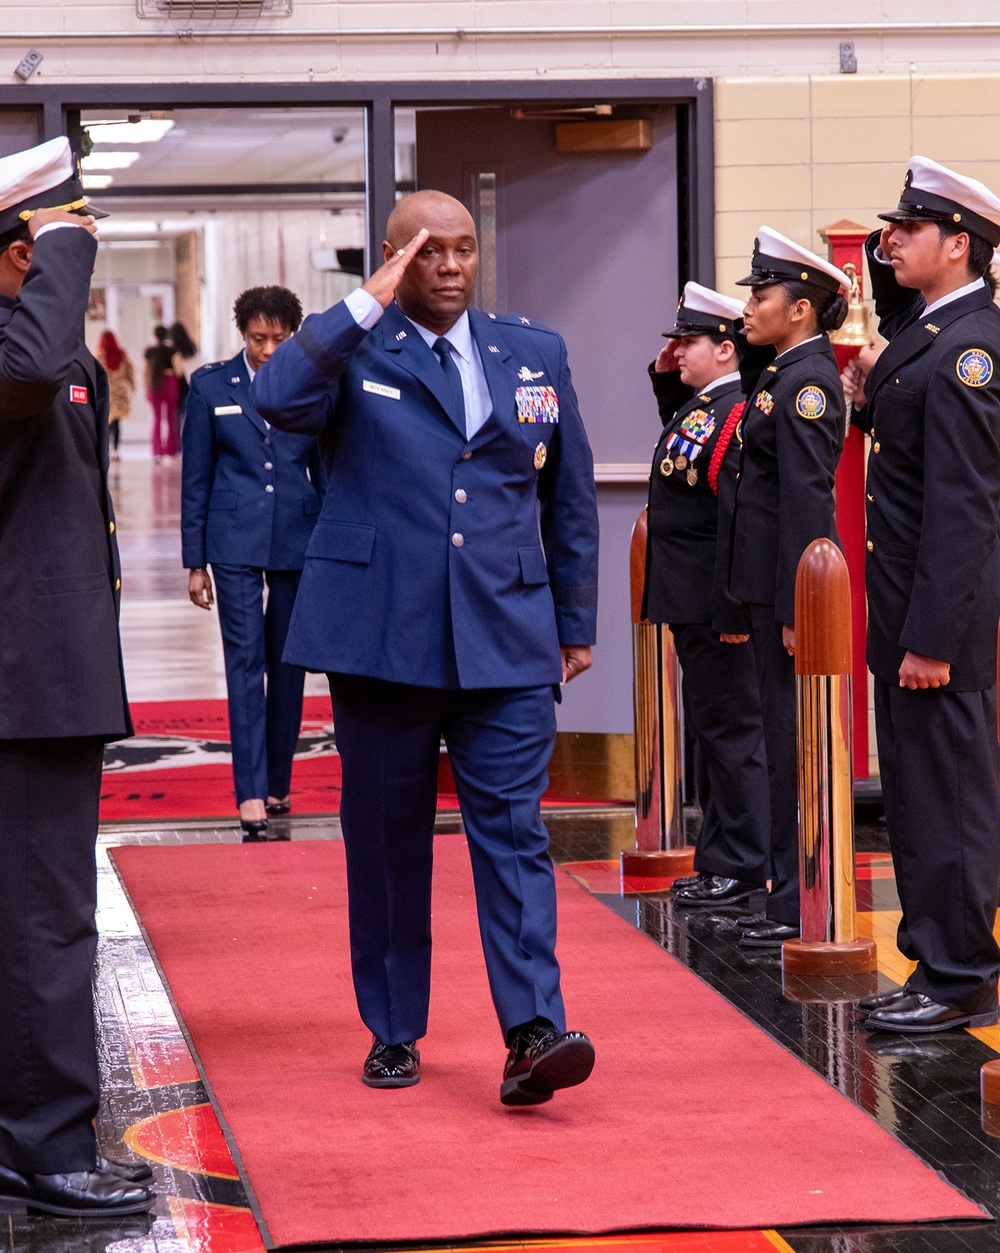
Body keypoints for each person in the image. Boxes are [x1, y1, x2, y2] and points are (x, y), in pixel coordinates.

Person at [253, 190, 599, 1106]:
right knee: (387, 838)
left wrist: (573, 622)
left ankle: (532, 1030)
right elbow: (275, 399)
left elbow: (564, 495)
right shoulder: (352, 345)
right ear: (393, 257)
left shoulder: (533, 351)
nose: (449, 265)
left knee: (516, 835)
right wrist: (367, 299)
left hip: (505, 635)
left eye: (463, 249)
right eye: (427, 252)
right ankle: (395, 1027)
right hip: (381, 637)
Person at [0, 136, 153, 1216]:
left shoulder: (45, 356)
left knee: (32, 922)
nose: (81, 251)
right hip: (20, 682)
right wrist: (61, 248)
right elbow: (30, 368)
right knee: (46, 927)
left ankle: (29, 1135)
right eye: (62, 238)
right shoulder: (22, 352)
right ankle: (47, 1150)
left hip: (40, 677)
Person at [852, 157, 1000, 1034]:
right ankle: (933, 957)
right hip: (908, 616)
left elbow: (963, 506)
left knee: (948, 795)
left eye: (912, 227)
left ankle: (960, 973)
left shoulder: (971, 349)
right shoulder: (931, 329)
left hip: (937, 626)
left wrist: (934, 637)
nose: (892, 239)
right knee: (916, 794)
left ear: (961, 244)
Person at [727, 227, 850, 948]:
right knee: (775, 735)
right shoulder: (781, 375)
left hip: (788, 591)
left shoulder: (806, 383)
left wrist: (802, 605)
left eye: (762, 295)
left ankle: (793, 895)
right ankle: (781, 886)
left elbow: (807, 501)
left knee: (790, 739)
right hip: (767, 586)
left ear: (800, 309)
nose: (749, 308)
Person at [643, 282, 771, 908]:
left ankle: (745, 863)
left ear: (726, 350)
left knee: (733, 734)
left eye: (689, 342)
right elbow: (680, 451)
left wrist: (731, 610)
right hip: (692, 601)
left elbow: (732, 521)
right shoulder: (708, 406)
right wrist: (668, 379)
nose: (677, 352)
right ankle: (722, 854)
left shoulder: (737, 412)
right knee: (713, 732)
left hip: (717, 604)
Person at [181, 286, 324, 840]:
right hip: (232, 541)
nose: (267, 349)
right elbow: (196, 478)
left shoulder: (313, 386)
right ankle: (249, 794)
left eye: (279, 339)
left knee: (289, 665)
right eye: (258, 338)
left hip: (297, 535)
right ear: (242, 333)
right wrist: (195, 562)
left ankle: (279, 783)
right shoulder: (210, 385)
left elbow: (327, 472)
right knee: (245, 665)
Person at [96, 329, 134, 462]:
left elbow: (96, 375)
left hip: (106, 391)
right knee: (116, 422)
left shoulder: (100, 355)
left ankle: (104, 449)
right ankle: (116, 451)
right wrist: (132, 387)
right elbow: (130, 372)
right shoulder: (123, 355)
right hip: (120, 392)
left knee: (105, 422)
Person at [145, 323, 179, 461]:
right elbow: (178, 370)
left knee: (157, 418)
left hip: (155, 382)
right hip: (170, 381)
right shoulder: (173, 350)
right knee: (171, 418)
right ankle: (171, 450)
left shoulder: (149, 351)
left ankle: (157, 452)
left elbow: (146, 371)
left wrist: (147, 387)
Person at [168, 319, 198, 424]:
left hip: (182, 389)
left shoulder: (175, 352)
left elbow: (179, 372)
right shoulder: (193, 348)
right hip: (195, 386)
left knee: (179, 421)